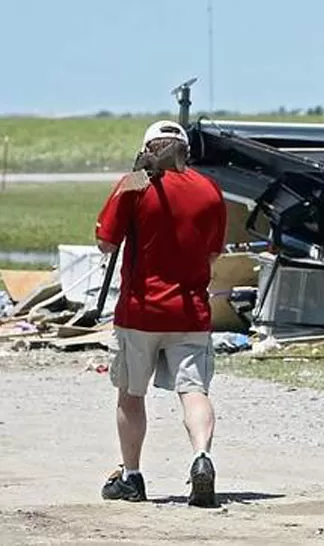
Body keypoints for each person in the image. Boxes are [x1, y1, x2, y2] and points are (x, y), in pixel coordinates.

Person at [95, 120, 227, 507]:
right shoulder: (208, 189)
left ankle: (132, 477)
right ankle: (202, 457)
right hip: (190, 312)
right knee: (194, 391)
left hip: (139, 311)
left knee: (130, 396)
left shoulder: (136, 183)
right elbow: (214, 254)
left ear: (148, 149)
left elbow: (105, 242)